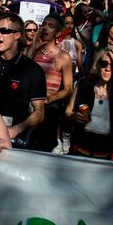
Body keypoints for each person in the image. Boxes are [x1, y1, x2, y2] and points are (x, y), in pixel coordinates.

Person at [0, 12, 46, 148]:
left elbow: (39, 113)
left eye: (4, 31)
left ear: (18, 35)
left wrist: (14, 131)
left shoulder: (32, 69)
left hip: (13, 141)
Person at [65, 47, 113, 160]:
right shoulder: (84, 84)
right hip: (82, 148)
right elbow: (68, 111)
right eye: (104, 64)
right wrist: (74, 116)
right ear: (97, 65)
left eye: (112, 65)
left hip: (109, 152)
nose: (108, 69)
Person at [30, 13, 73, 152]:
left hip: (48, 110)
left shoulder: (63, 57)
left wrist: (49, 99)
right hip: (28, 107)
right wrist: (34, 45)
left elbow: (68, 88)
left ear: (58, 33)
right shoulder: (33, 51)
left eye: (51, 26)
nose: (45, 28)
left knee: (44, 148)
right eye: (44, 24)